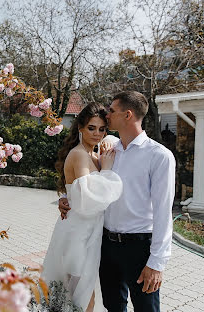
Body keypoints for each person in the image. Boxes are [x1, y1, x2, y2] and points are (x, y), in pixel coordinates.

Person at [58, 91, 176, 312]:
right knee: (113, 307)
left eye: (112, 110)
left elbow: (163, 212)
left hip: (140, 248)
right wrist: (66, 198)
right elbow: (90, 188)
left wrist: (157, 263)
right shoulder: (110, 150)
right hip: (106, 246)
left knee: (146, 309)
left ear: (128, 115)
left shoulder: (159, 156)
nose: (107, 114)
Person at [41, 103, 123, 312]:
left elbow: (76, 192)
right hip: (78, 233)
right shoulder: (79, 155)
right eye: (91, 128)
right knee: (79, 297)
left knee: (86, 295)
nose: (97, 134)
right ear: (80, 128)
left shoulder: (94, 154)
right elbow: (88, 200)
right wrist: (106, 171)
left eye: (102, 129)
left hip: (90, 232)